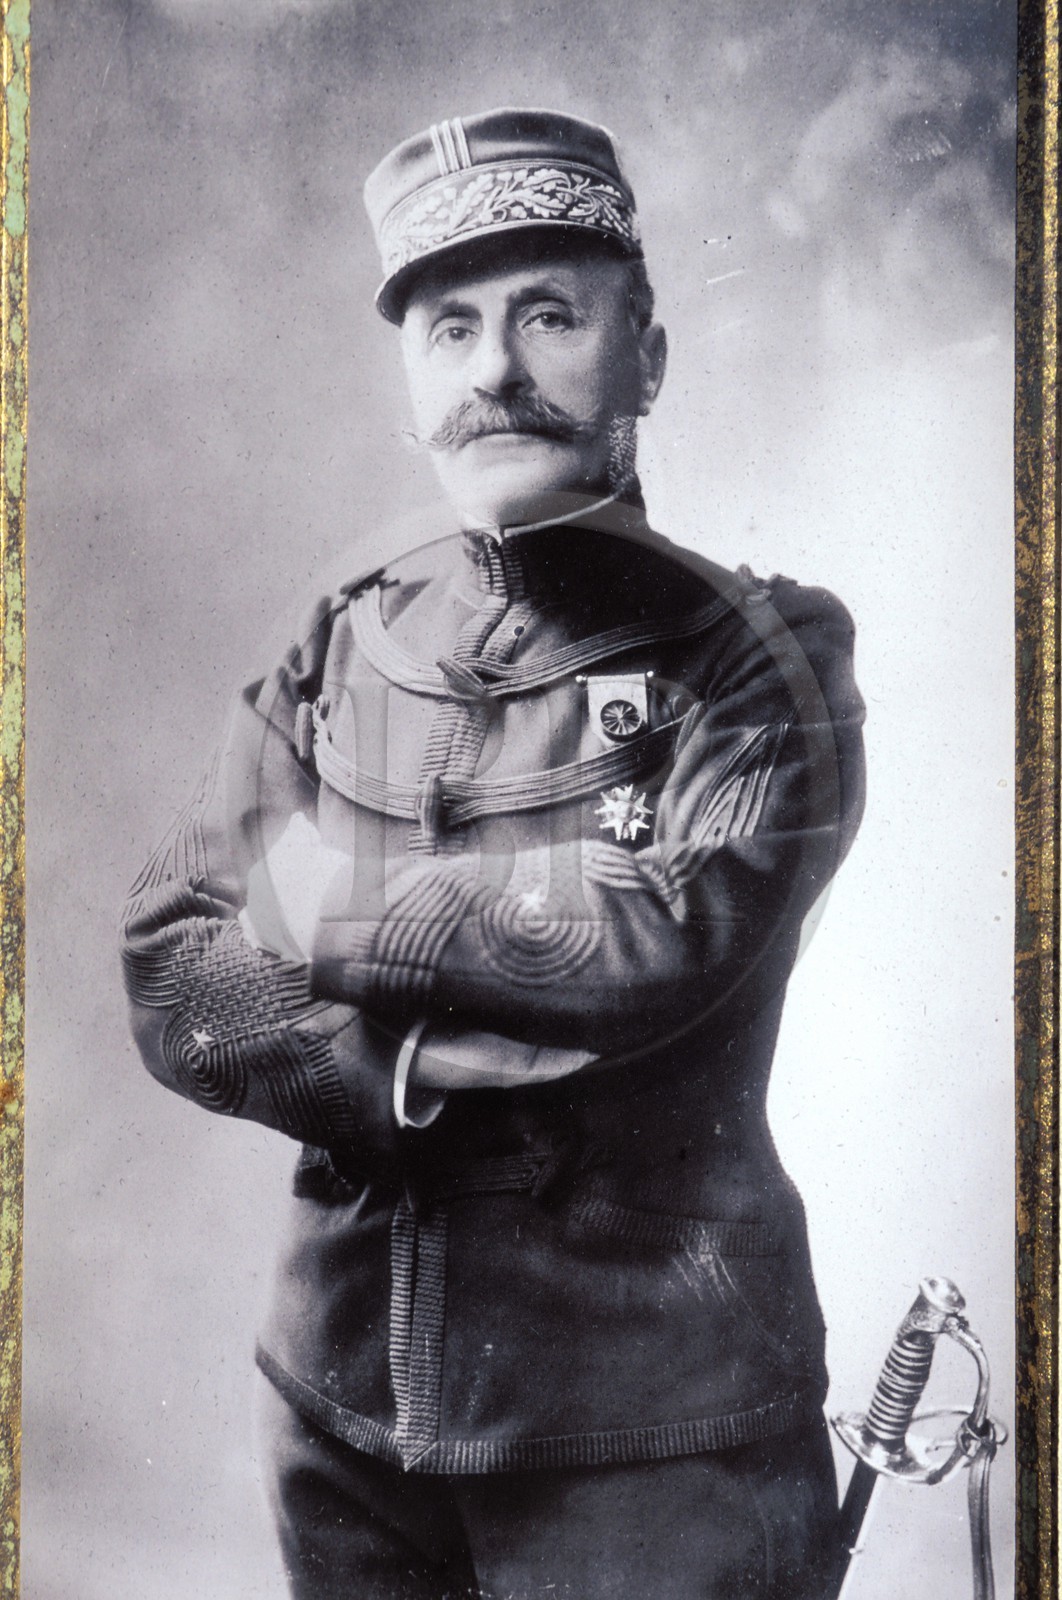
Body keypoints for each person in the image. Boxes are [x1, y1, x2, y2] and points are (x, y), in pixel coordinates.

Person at [121, 108, 866, 1600]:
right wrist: (401, 1069)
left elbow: (656, 938)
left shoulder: (766, 655)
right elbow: (171, 964)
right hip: (339, 1410)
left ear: (643, 355)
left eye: (546, 314)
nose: (493, 373)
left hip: (655, 1438)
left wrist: (318, 905)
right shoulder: (340, 639)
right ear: (410, 373)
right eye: (449, 325)